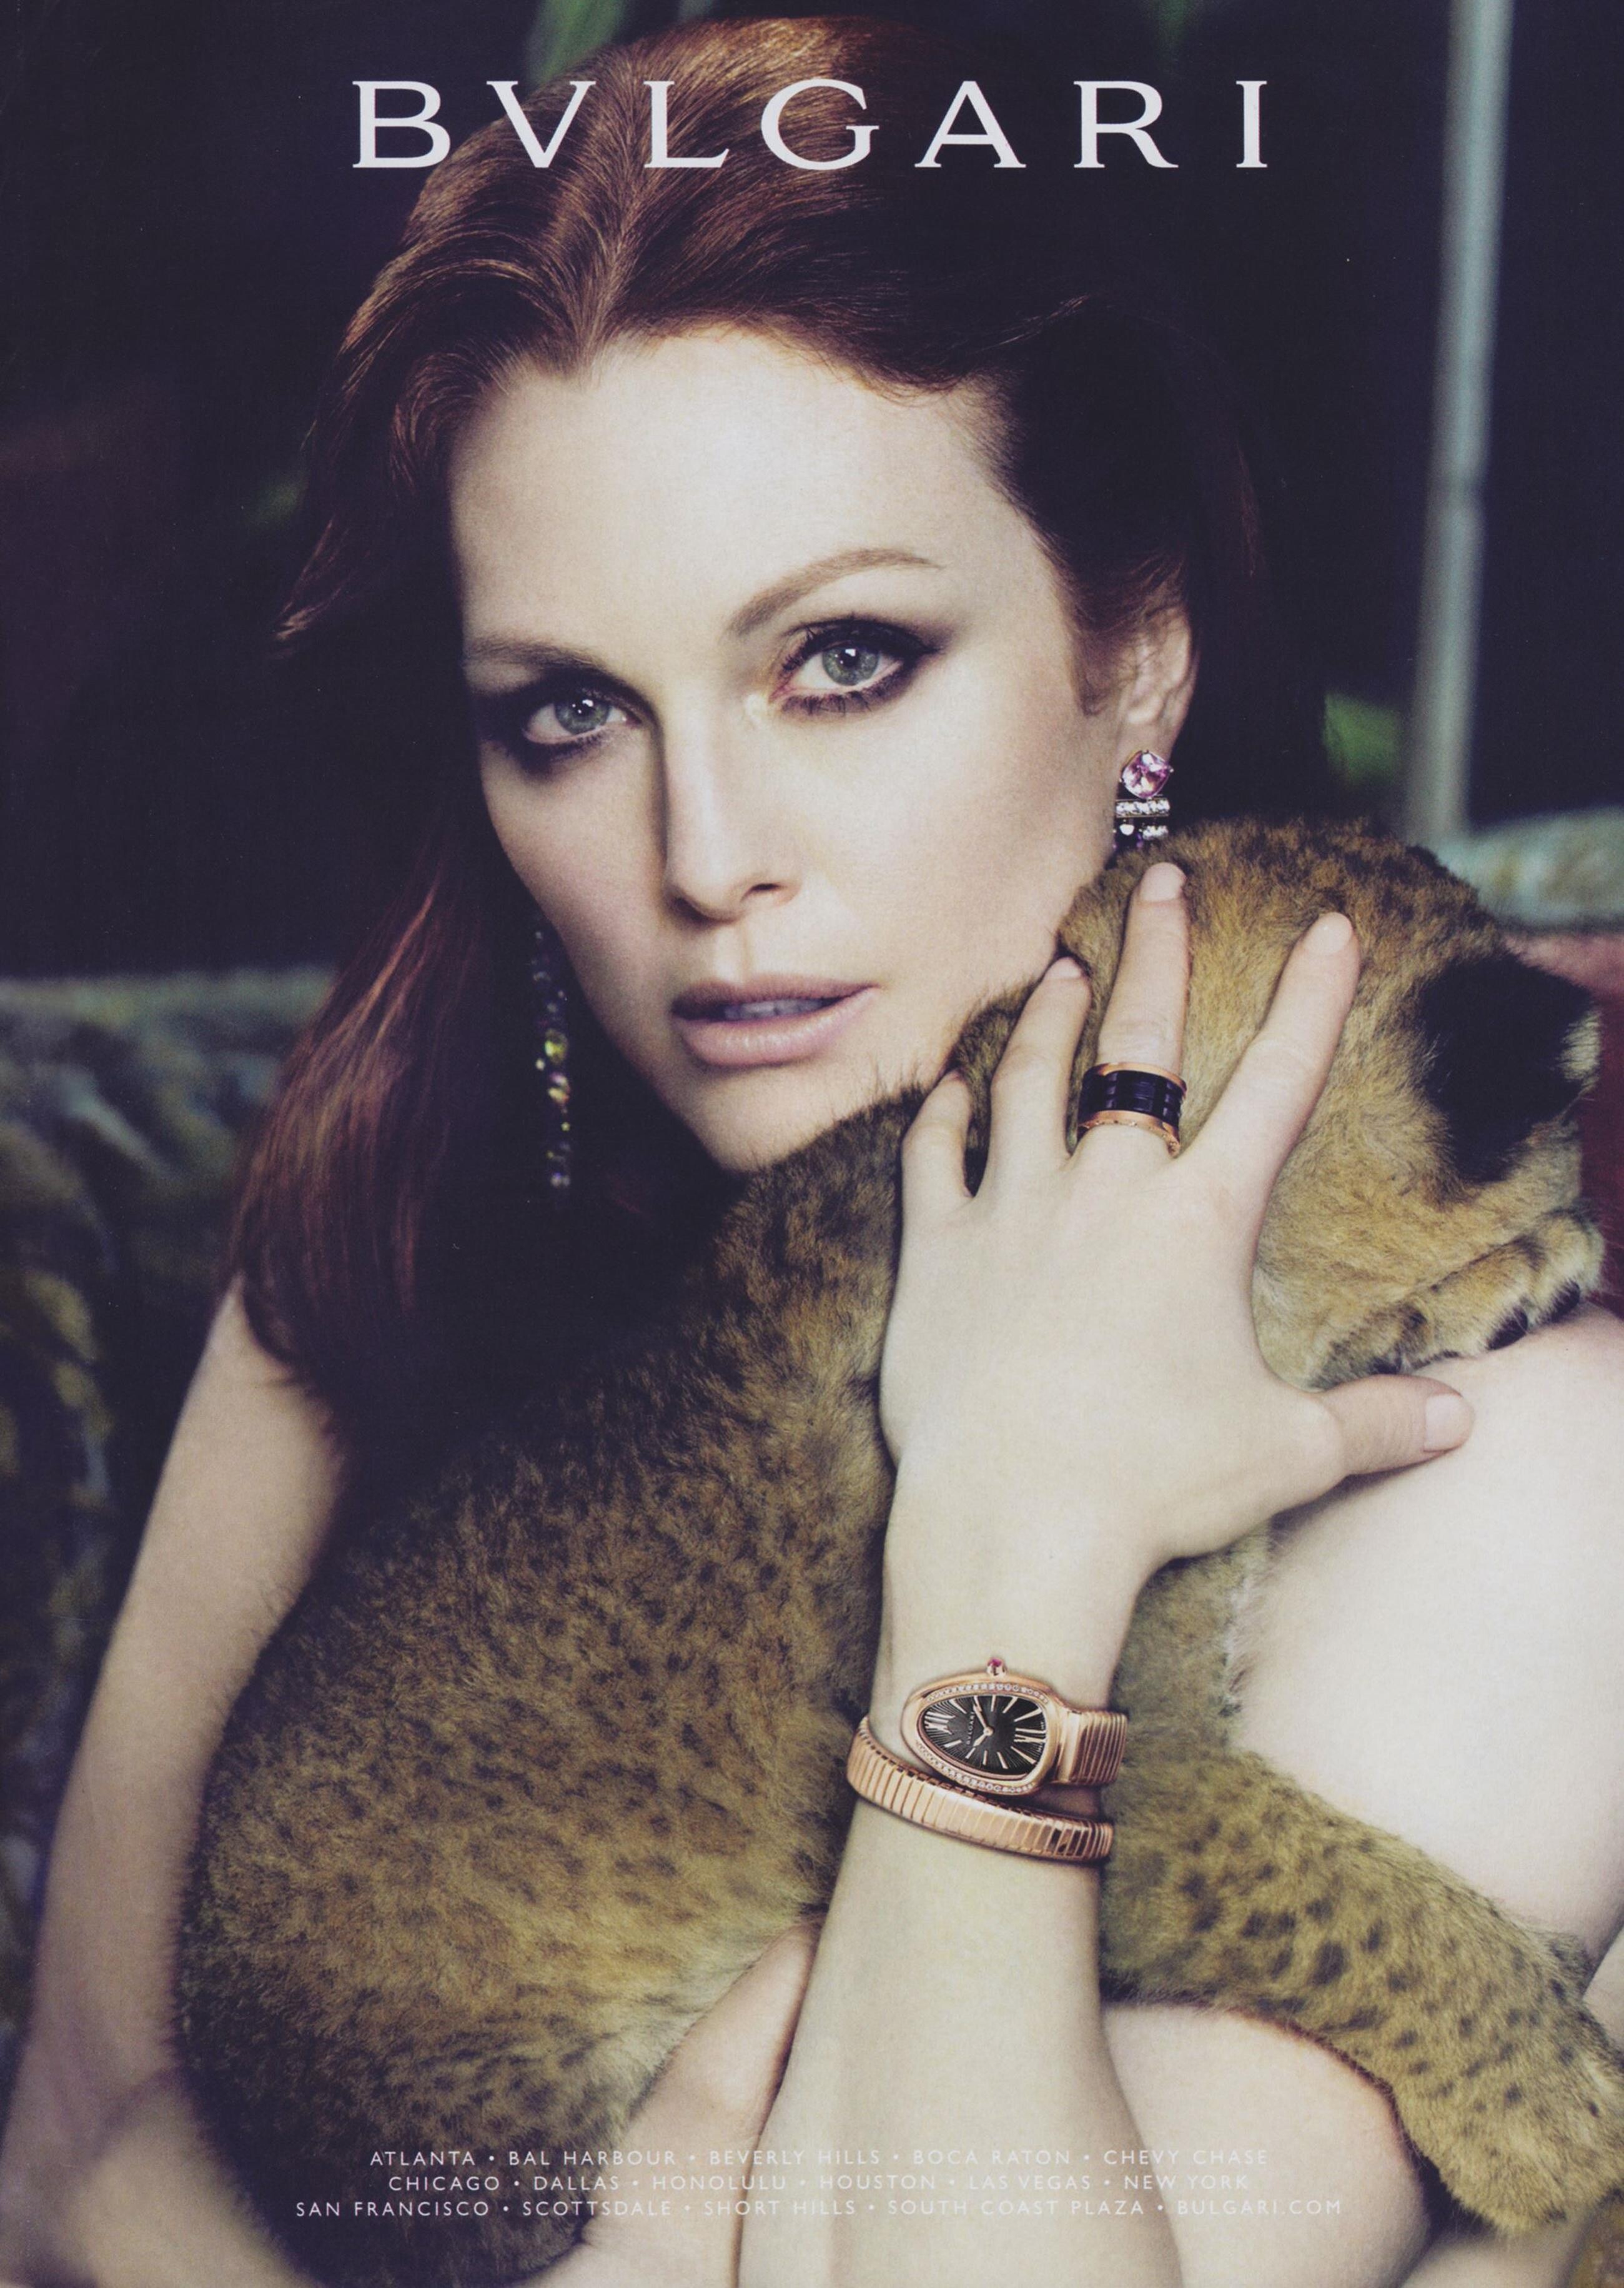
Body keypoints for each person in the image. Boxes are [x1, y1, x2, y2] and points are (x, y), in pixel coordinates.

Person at [2, 17, 1622, 2288]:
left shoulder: (1506, 1442)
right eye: (570, 711)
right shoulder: (396, 1214)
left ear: (1135, 660)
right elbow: (75, 2166)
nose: (704, 855)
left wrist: (1006, 1546)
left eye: (844, 660)